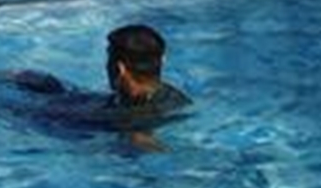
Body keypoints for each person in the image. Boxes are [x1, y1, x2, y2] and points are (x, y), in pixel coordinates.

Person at [13, 23, 191, 148]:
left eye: (108, 58)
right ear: (162, 60)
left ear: (120, 68)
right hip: (89, 103)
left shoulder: (129, 122)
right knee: (45, 83)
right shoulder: (178, 99)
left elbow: (142, 138)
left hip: (71, 115)